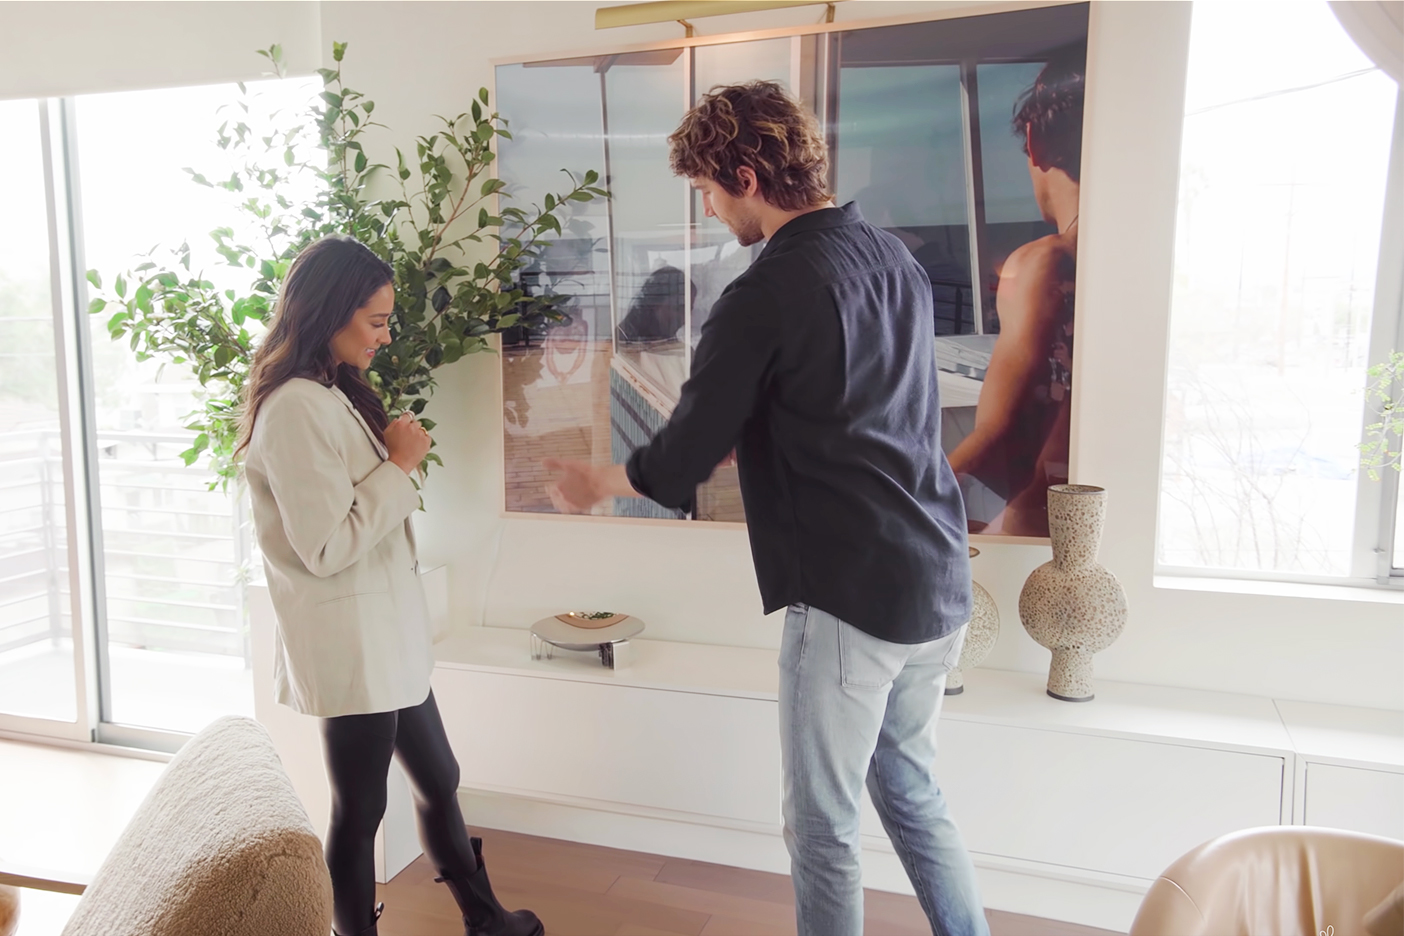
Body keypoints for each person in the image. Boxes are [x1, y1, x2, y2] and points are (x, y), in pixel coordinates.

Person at [545, 82, 987, 936]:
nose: (712, 212)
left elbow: (684, 454)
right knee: (912, 791)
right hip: (936, 575)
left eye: (709, 193)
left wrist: (602, 481)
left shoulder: (764, 291)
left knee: (822, 826)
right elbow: (872, 410)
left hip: (851, 594)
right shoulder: (893, 258)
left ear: (745, 174)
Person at [239, 235, 541, 936]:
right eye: (375, 320)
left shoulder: (327, 393)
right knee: (360, 811)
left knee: (439, 778)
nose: (386, 333)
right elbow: (324, 545)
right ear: (330, 312)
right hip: (352, 645)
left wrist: (392, 464)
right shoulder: (293, 409)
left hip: (384, 639)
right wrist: (398, 465)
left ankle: (486, 918)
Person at [947, 45, 1085, 536]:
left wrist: (906, 503)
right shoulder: (1130, 260)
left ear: (1036, 141)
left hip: (1038, 527)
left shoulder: (1045, 262)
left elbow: (999, 433)